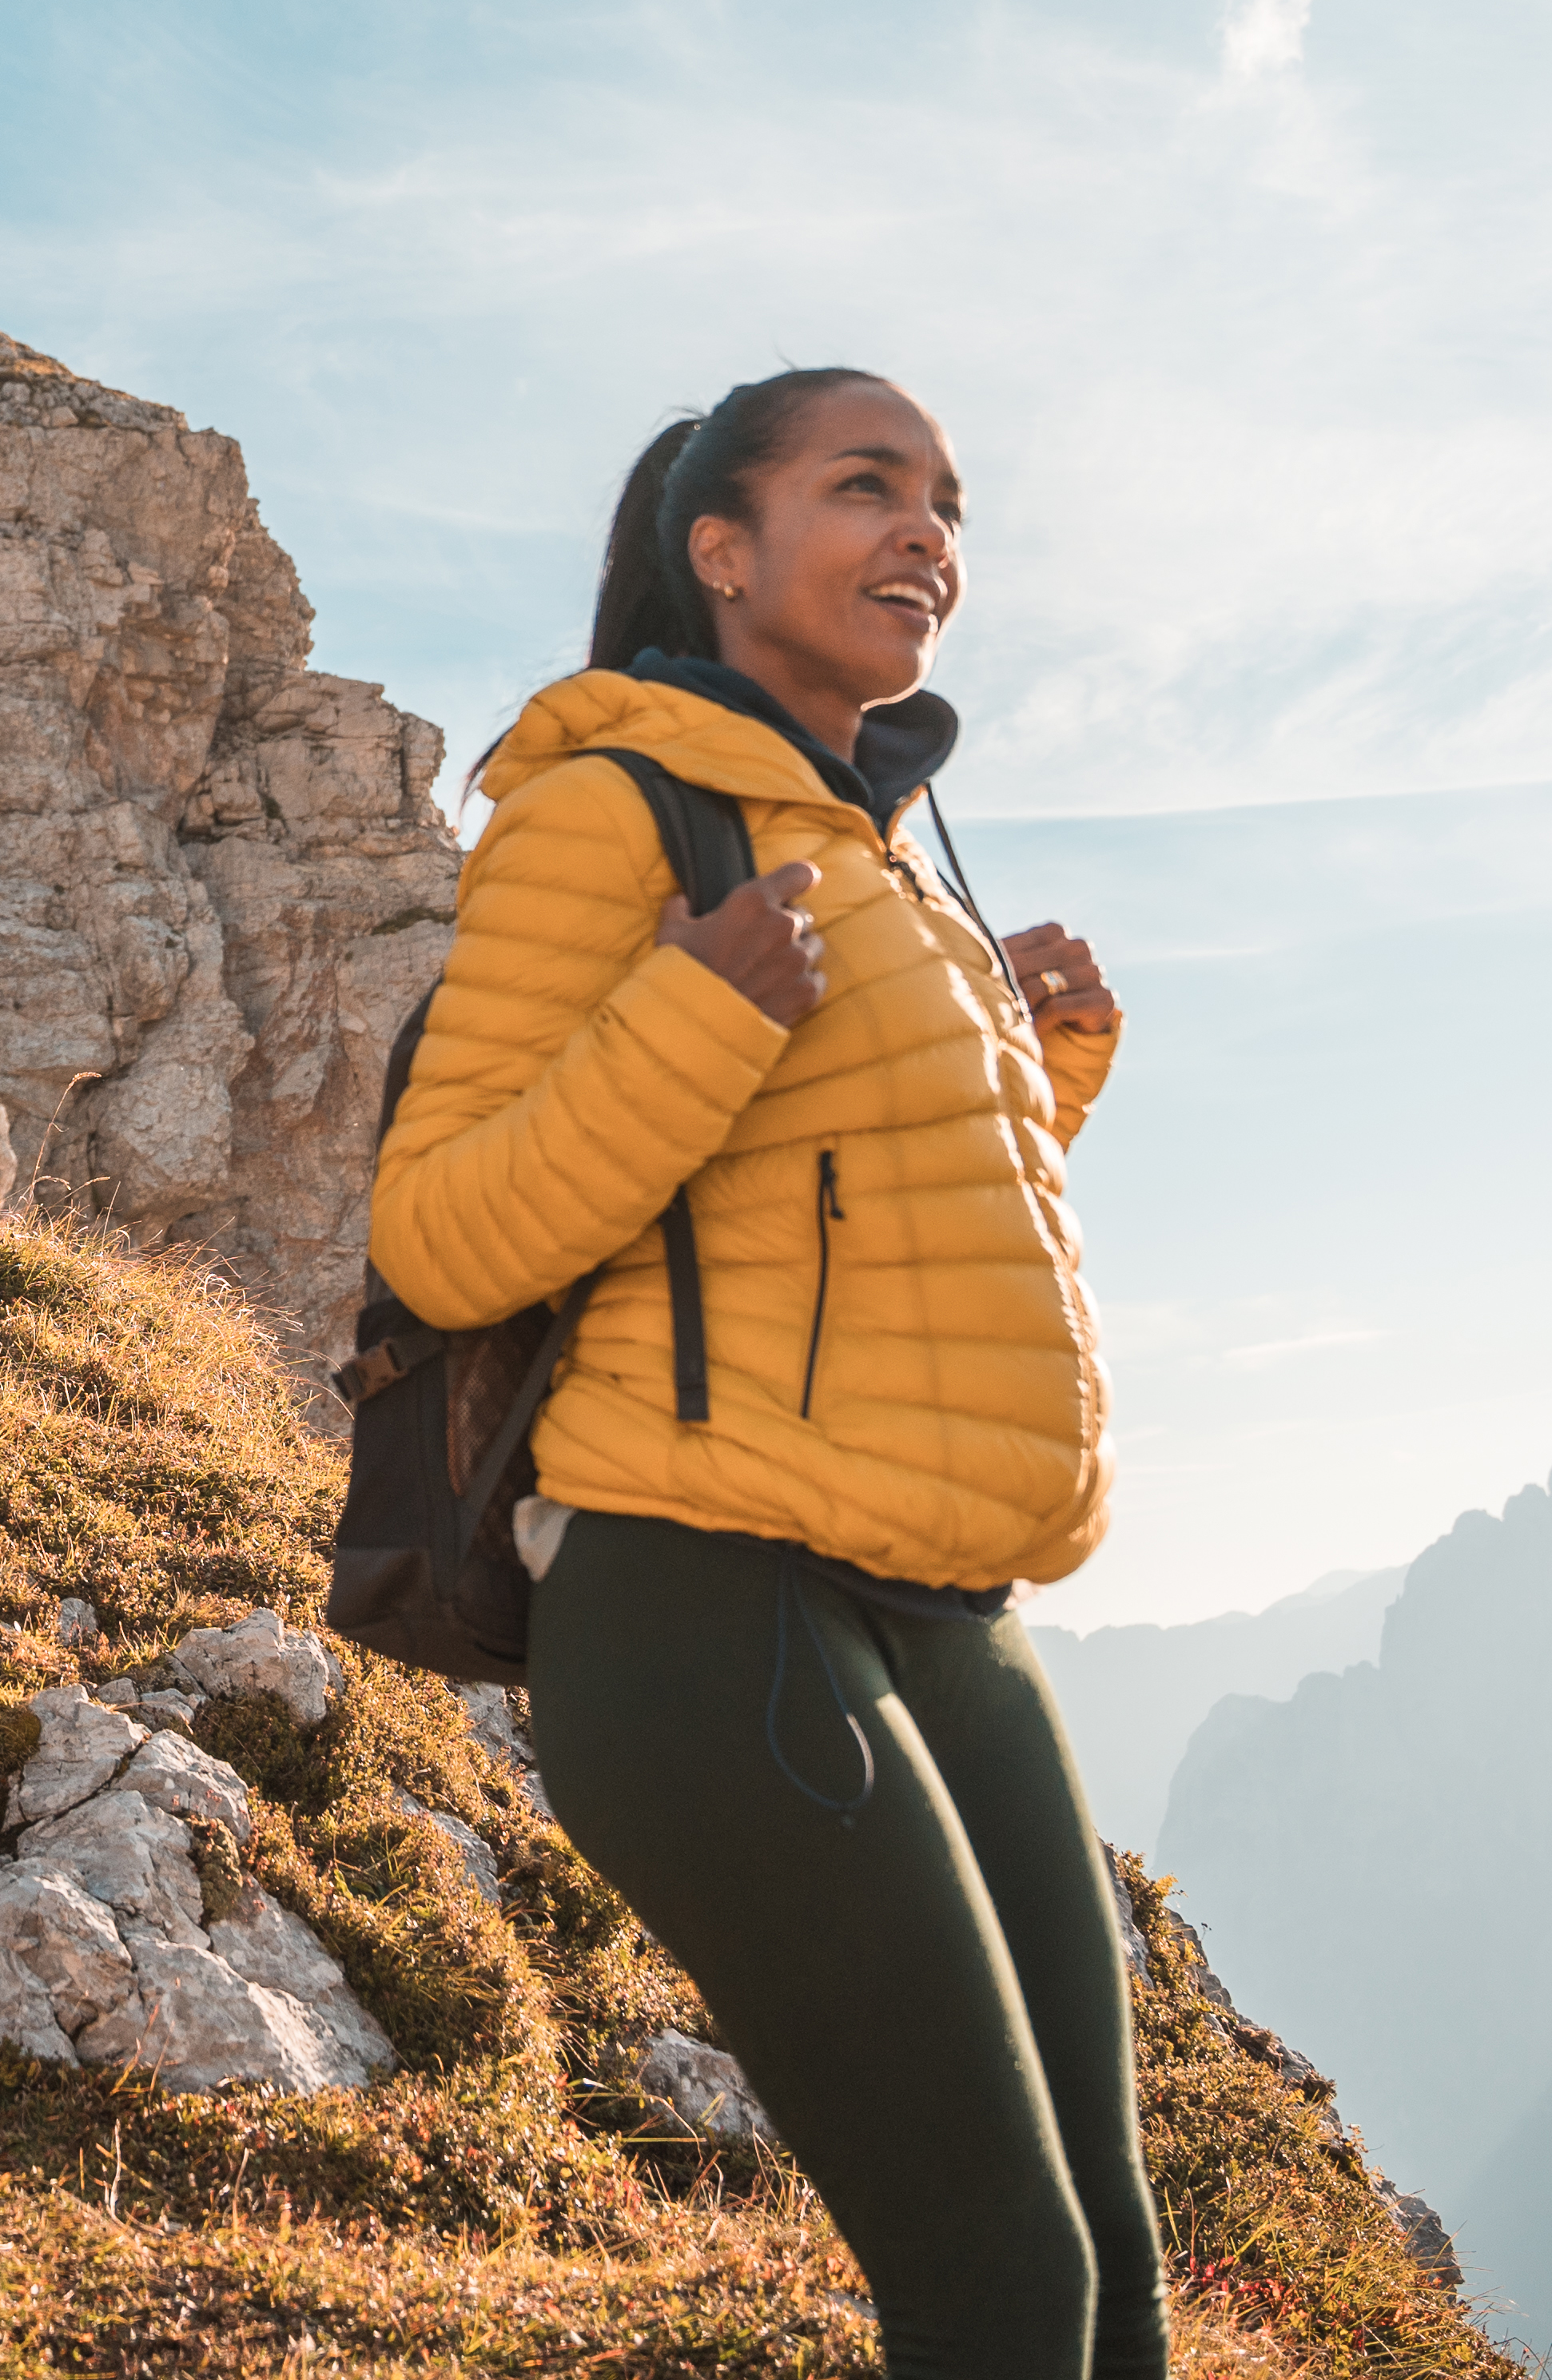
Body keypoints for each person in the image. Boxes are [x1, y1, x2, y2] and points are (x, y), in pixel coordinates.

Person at [369, 369, 1148, 2380]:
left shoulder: (888, 868)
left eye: (946, 501)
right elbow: (440, 1234)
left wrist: (1043, 1076)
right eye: (865, 486)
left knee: (1109, 2280)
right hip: (716, 1599)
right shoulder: (607, 808)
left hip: (946, 1603)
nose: (928, 535)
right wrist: (692, 1018)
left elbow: (853, 1226)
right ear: (722, 552)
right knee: (1004, 2291)